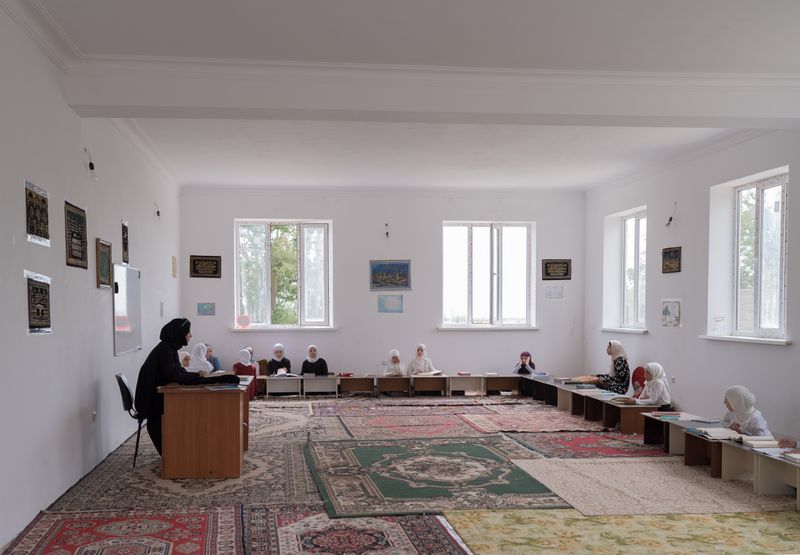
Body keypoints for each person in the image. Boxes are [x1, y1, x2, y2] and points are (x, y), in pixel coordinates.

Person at [134, 318, 239, 455]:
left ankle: (182, 452)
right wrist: (207, 379)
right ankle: (176, 456)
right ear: (179, 333)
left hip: (155, 397)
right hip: (151, 402)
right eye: (188, 332)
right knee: (188, 410)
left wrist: (199, 376)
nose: (191, 335)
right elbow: (177, 376)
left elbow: (178, 373)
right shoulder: (165, 350)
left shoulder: (169, 348)